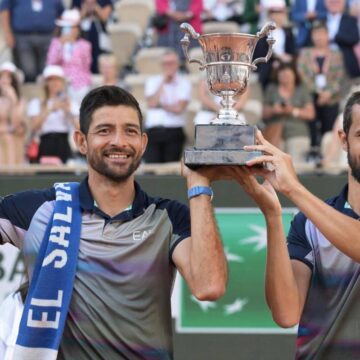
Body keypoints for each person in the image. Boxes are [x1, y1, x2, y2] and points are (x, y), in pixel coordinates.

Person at [0, 85, 230, 359]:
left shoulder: (167, 217)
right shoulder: (41, 209)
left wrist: (199, 185)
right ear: (81, 141)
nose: (119, 141)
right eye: (104, 130)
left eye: (130, 131)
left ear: (143, 143)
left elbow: (209, 286)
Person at [237, 90, 360, 359]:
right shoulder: (307, 224)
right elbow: (286, 313)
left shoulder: (309, 211)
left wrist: (293, 189)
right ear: (343, 140)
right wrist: (272, 216)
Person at [297, 20, 345, 160]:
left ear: (327, 35)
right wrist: (318, 91)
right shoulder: (305, 53)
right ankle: (313, 153)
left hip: (331, 97)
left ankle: (327, 156)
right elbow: (303, 74)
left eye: (322, 34)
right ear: (312, 36)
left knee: (329, 128)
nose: (319, 37)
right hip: (311, 97)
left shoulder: (336, 54)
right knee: (311, 126)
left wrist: (328, 92)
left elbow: (339, 77)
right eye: (316, 34)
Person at [262, 62, 315, 164]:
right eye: (282, 74)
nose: (285, 76)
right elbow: (263, 113)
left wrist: (293, 111)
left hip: (297, 132)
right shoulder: (271, 89)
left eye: (287, 74)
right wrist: (274, 110)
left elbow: (311, 114)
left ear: (294, 75)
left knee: (297, 167)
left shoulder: (302, 89)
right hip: (275, 133)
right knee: (273, 165)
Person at [144, 50, 191, 163]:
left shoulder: (184, 83)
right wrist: (163, 83)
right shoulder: (152, 81)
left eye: (172, 63)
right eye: (166, 63)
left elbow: (179, 108)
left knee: (170, 169)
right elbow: (152, 103)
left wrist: (160, 105)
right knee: (151, 169)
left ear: (177, 64)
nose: (168, 66)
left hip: (174, 131)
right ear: (161, 65)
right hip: (153, 131)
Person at [0, 0, 64, 82]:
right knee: (28, 70)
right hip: (23, 37)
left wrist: (58, 35)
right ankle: (29, 91)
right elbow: (4, 10)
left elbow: (61, 14)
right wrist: (7, 33)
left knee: (46, 70)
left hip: (47, 36)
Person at [27, 65, 78, 164]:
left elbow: (79, 127)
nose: (55, 83)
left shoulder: (71, 103)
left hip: (63, 143)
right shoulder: (37, 103)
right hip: (45, 143)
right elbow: (33, 126)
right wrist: (50, 110)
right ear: (46, 83)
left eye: (58, 80)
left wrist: (67, 111)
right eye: (51, 80)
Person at [46, 8, 92, 106]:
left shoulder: (85, 45)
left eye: (71, 27)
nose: (69, 30)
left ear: (77, 29)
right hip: (61, 82)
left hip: (80, 84)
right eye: (66, 27)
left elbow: (86, 66)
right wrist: (61, 45)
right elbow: (51, 63)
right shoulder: (56, 43)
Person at [72, 0, 113, 74]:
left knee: (98, 61)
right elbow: (74, 20)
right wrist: (84, 10)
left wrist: (95, 6)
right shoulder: (77, 1)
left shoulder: (104, 1)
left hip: (98, 37)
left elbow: (105, 18)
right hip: (82, 35)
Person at [0, 61, 26, 165]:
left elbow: (17, 125)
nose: (5, 81)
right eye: (2, 77)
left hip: (14, 141)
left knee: (12, 139)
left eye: (8, 77)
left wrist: (13, 100)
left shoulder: (20, 101)